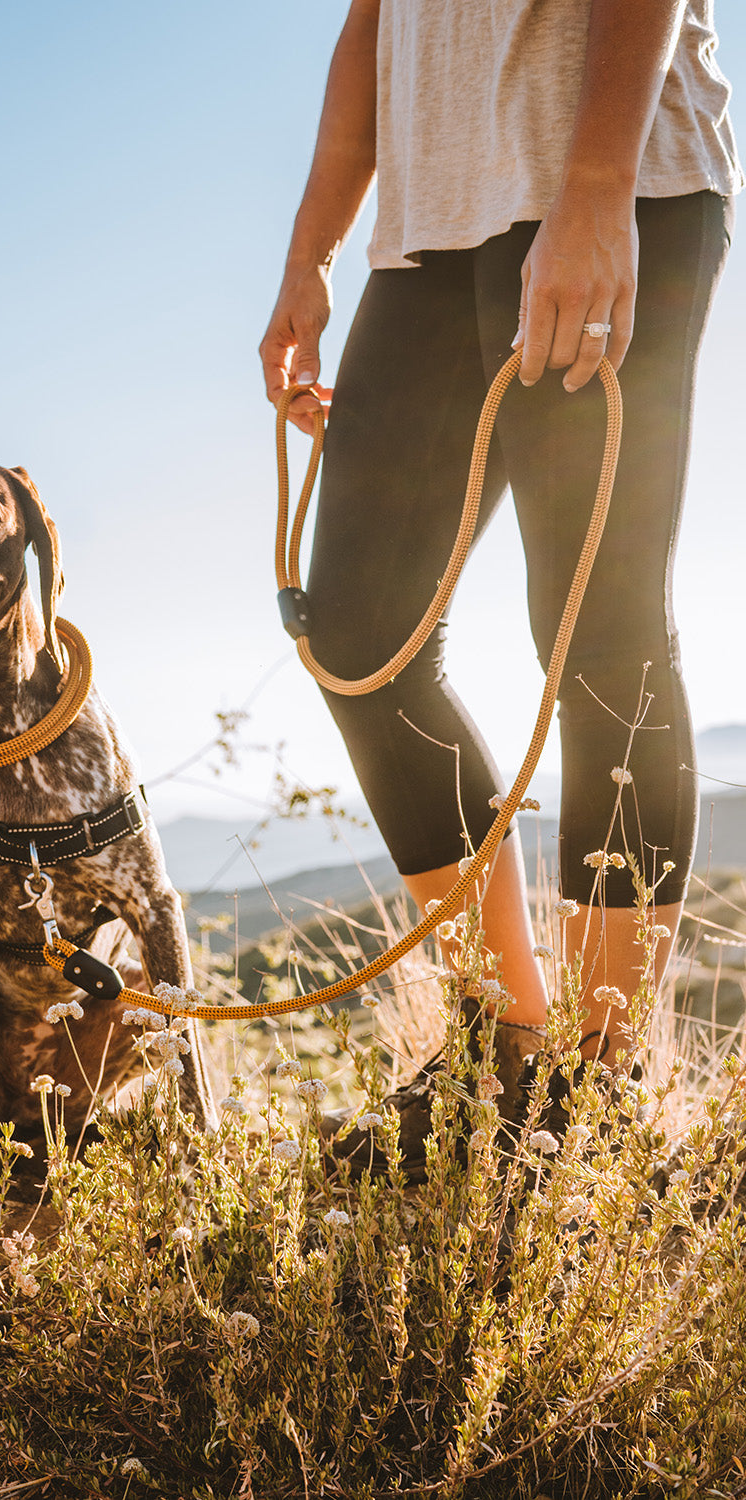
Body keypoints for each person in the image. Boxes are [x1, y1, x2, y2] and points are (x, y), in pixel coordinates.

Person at [260, 0, 740, 1153]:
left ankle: (603, 1081)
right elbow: (375, 27)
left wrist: (594, 186)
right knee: (359, 638)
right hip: (427, 234)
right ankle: (503, 1050)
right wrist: (309, 258)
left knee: (596, 629)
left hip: (611, 184)